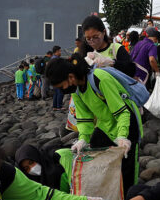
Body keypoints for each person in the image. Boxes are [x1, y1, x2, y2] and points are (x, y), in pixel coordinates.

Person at [46, 54, 143, 192]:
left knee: (127, 173)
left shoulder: (99, 78)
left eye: (62, 86)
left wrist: (122, 136)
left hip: (127, 124)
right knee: (101, 164)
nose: (62, 90)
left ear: (71, 77)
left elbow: (122, 112)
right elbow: (84, 119)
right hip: (105, 126)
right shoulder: (77, 91)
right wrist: (83, 139)